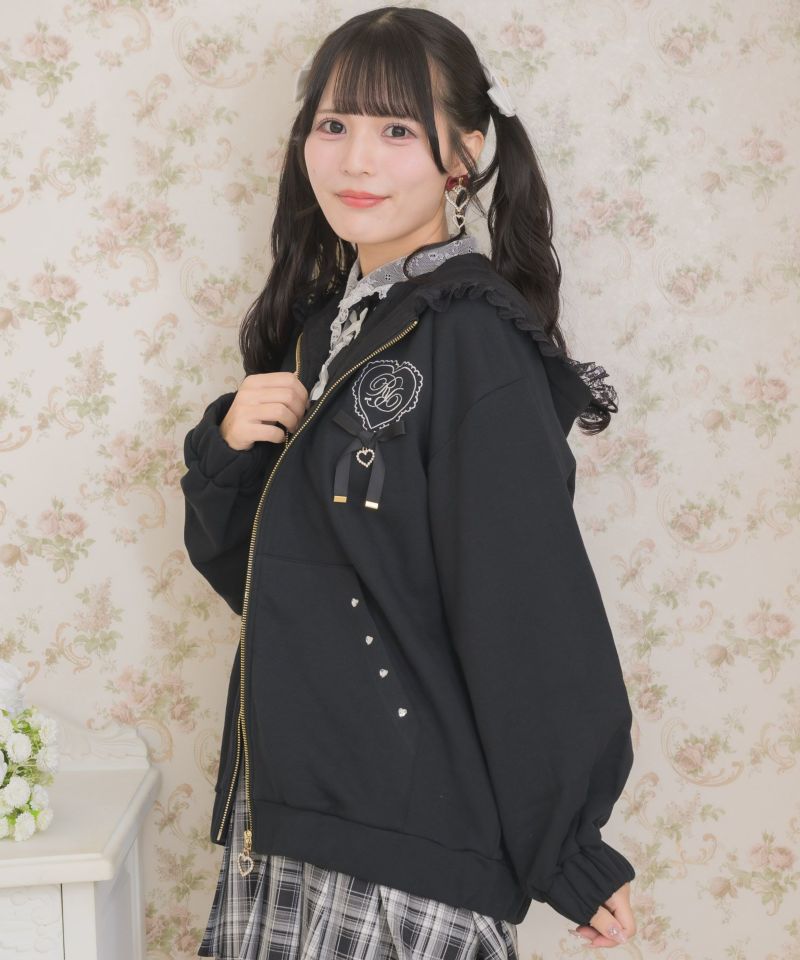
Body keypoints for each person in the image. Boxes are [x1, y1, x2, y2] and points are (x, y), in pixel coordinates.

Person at [181, 6, 638, 958]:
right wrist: (228, 450)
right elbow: (275, 588)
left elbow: (529, 606)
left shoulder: (472, 341)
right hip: (293, 823)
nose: (356, 160)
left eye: (396, 129)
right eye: (334, 124)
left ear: (463, 155)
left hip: (402, 853)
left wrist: (570, 849)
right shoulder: (331, 331)